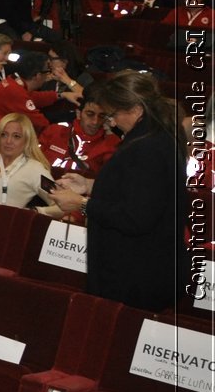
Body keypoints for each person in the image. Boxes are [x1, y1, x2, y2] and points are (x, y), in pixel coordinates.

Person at [49, 71, 187, 311]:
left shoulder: (149, 147)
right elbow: (136, 189)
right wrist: (89, 185)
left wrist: (81, 203)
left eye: (112, 115)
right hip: (135, 270)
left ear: (136, 110)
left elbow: (136, 217)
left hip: (136, 276)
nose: (110, 122)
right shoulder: (150, 137)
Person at [38, 91, 119, 175]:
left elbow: (108, 178)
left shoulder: (109, 144)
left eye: (101, 116)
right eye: (90, 114)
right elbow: (33, 159)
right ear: (78, 113)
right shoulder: (55, 131)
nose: (95, 122)